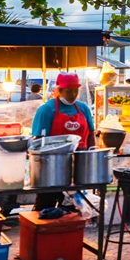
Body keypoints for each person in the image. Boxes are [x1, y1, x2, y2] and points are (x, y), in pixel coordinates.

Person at [31, 73, 95, 210]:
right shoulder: (46, 110)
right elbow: (39, 141)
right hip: (52, 166)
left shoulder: (83, 108)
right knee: (45, 204)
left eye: (75, 91)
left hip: (78, 165)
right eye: (68, 91)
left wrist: (91, 157)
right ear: (58, 91)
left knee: (72, 207)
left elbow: (91, 134)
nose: (73, 94)